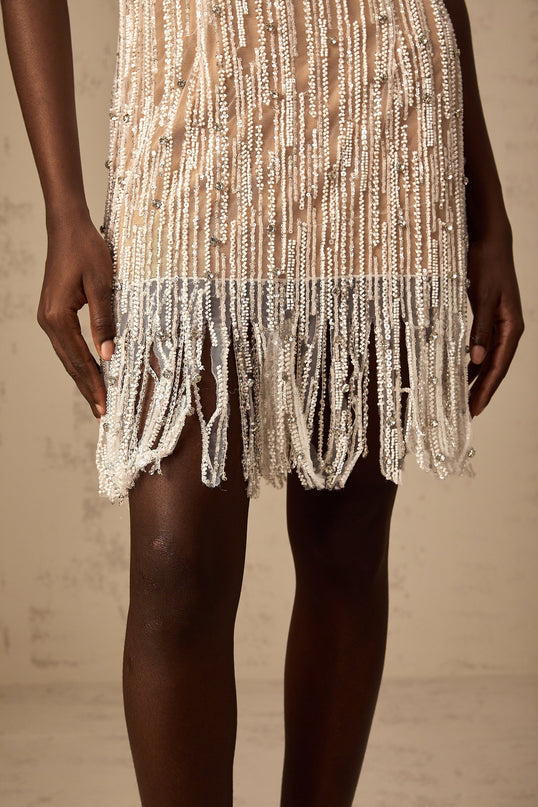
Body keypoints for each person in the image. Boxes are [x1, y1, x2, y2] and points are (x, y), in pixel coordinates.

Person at [1, 0, 524, 805]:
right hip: (188, 108)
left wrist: (489, 216)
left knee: (346, 553)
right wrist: (65, 205)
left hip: (383, 121)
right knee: (176, 571)